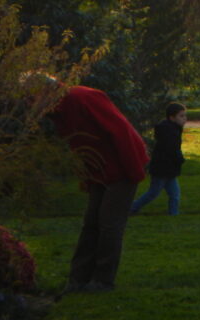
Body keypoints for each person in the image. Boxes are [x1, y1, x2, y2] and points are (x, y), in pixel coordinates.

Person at [45, 78, 149, 292]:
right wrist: (87, 176)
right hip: (99, 171)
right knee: (91, 222)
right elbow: (80, 145)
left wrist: (133, 170)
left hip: (121, 166)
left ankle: (102, 280)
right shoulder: (58, 111)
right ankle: (78, 278)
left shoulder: (82, 98)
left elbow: (121, 131)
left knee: (110, 224)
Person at [131, 102, 187, 216]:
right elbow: (171, 150)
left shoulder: (173, 129)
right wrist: (179, 159)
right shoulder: (170, 132)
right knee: (153, 193)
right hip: (162, 168)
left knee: (174, 194)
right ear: (172, 117)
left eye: (184, 116)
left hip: (168, 168)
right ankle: (132, 208)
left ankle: (174, 214)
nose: (184, 119)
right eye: (181, 116)